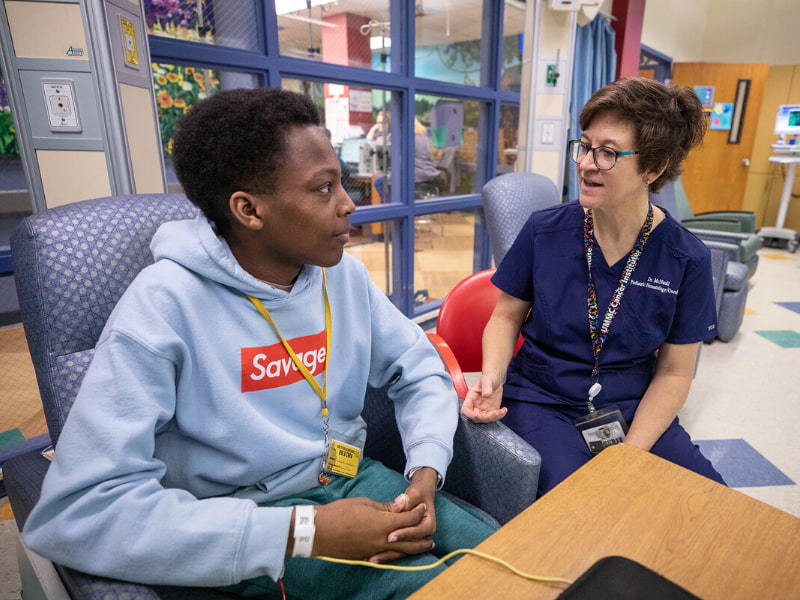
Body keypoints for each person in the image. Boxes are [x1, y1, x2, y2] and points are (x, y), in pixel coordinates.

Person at [22, 88, 496, 599]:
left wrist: (425, 471)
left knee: (504, 554)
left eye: (343, 183)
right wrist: (307, 532)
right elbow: (79, 511)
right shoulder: (164, 306)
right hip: (251, 520)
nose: (347, 205)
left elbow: (419, 367)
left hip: (353, 478)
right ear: (249, 209)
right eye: (323, 189)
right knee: (444, 588)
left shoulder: (344, 279)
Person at [461, 77, 726, 496]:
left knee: (709, 502)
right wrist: (491, 379)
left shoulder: (685, 257)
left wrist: (632, 452)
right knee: (580, 504)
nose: (585, 163)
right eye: (584, 146)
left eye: (607, 153)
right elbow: (505, 315)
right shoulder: (544, 231)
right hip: (543, 398)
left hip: (631, 406)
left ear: (653, 169)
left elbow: (676, 371)